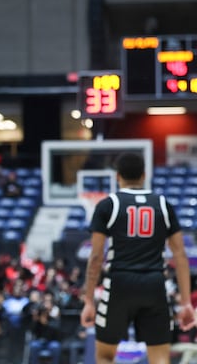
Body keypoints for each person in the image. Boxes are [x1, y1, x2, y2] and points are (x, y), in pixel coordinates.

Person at [80, 152, 196, 364]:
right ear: (144, 175)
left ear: (117, 176)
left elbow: (96, 257)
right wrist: (186, 302)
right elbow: (180, 255)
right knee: (160, 358)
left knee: (105, 355)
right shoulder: (162, 204)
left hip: (119, 283)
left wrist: (88, 300)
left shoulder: (108, 205)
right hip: (154, 284)